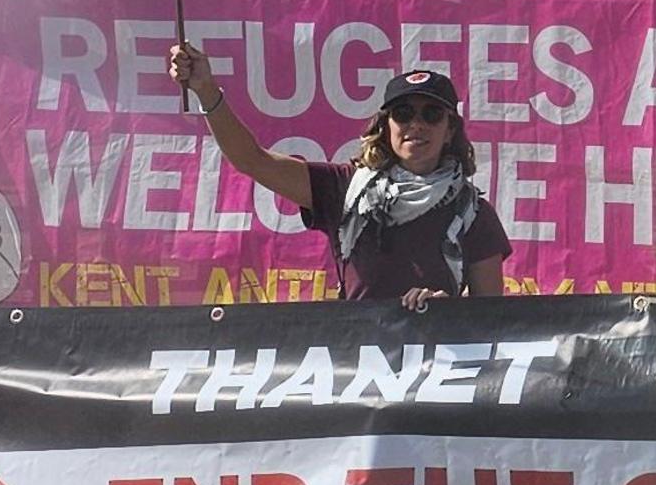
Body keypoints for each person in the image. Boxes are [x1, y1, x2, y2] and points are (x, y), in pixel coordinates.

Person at [167, 48, 510, 303]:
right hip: (355, 364)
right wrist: (206, 90)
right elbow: (252, 161)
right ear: (385, 126)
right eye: (403, 114)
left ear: (450, 130)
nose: (416, 125)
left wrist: (448, 314)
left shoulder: (474, 213)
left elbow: (490, 318)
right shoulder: (346, 187)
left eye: (432, 114)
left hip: (435, 367)